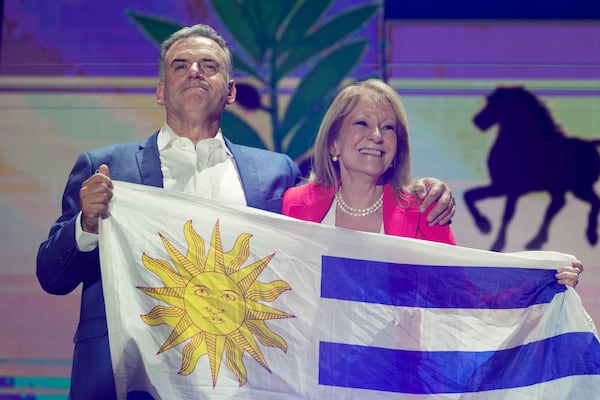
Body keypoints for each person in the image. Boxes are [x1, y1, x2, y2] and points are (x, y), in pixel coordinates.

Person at [36, 26, 457, 399]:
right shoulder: (108, 168)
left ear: (231, 90)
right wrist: (85, 225)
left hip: (242, 382)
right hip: (131, 379)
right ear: (161, 89)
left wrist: (426, 191)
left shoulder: (275, 175)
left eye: (209, 65)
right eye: (180, 65)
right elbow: (52, 276)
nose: (195, 72)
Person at [282, 79, 583, 277]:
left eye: (388, 128)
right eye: (362, 123)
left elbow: (459, 290)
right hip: (313, 369)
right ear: (333, 142)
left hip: (395, 370)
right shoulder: (295, 205)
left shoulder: (423, 209)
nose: (376, 136)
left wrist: (545, 277)